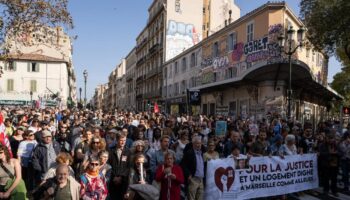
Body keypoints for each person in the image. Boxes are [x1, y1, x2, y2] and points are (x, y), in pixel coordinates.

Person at [108, 131, 131, 199]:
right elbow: (109, 165)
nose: (123, 142)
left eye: (124, 140)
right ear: (117, 140)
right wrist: (114, 177)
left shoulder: (128, 151)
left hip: (124, 181)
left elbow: (128, 167)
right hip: (112, 180)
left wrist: (121, 177)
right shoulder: (111, 151)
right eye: (121, 140)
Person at [181, 136, 205, 200]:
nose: (199, 145)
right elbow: (183, 165)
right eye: (197, 143)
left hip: (201, 179)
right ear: (193, 144)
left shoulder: (202, 153)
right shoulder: (189, 153)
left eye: (200, 143)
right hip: (193, 179)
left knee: (200, 198)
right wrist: (188, 174)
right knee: (191, 198)